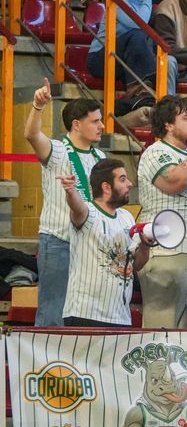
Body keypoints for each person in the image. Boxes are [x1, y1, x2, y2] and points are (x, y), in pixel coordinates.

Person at [26, 80, 106, 326]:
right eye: (95, 121)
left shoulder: (100, 156)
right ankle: (48, 363)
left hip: (88, 244)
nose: (102, 126)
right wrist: (38, 106)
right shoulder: (58, 151)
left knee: (80, 311)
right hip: (58, 242)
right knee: (53, 311)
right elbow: (31, 134)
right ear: (76, 124)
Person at [137, 96, 187, 329]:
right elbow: (176, 181)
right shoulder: (155, 151)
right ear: (168, 125)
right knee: (162, 328)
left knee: (186, 334)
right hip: (165, 251)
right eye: (186, 118)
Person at [59, 159, 151, 327]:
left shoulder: (127, 217)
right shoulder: (89, 212)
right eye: (123, 179)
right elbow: (77, 207)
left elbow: (136, 265)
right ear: (106, 187)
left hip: (120, 317)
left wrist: (145, 246)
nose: (130, 184)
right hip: (85, 314)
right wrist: (71, 191)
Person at [87, 0, 176, 96]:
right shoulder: (118, 1)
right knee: (137, 34)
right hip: (102, 58)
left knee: (169, 61)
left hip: (125, 60)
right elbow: (139, 23)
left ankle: (167, 104)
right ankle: (137, 87)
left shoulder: (145, 5)